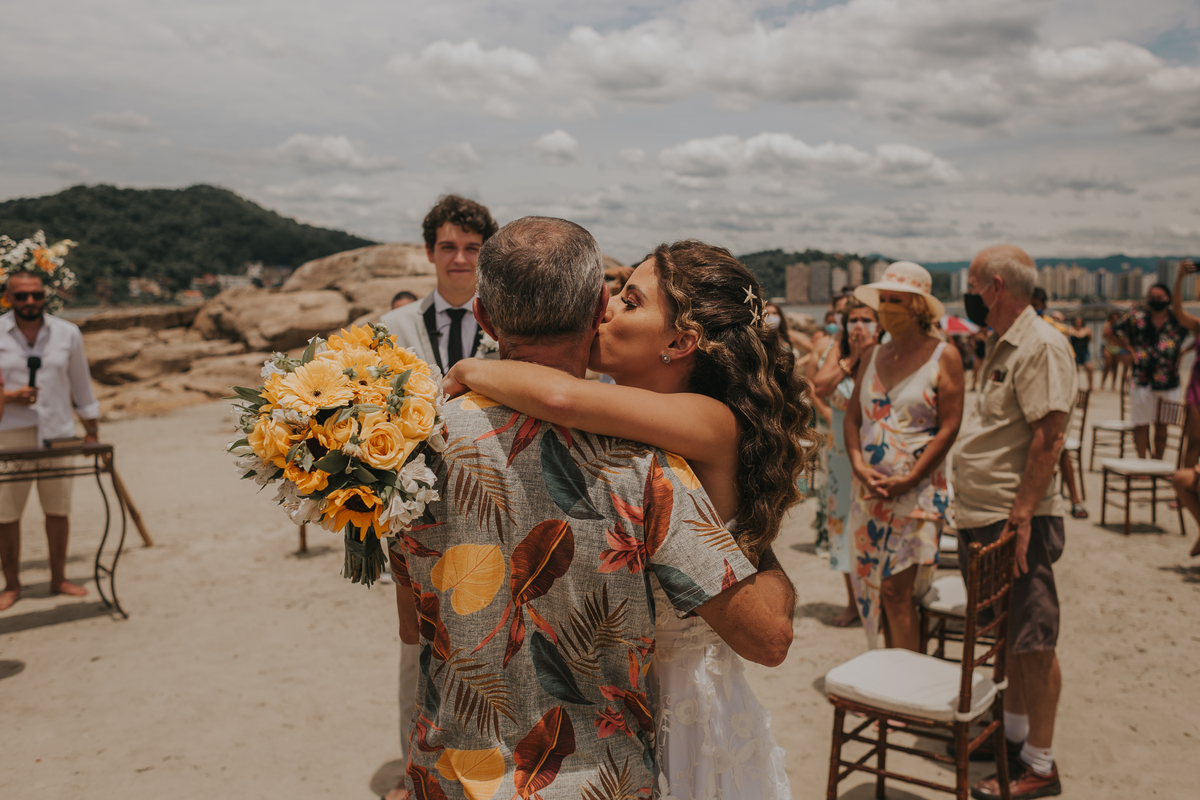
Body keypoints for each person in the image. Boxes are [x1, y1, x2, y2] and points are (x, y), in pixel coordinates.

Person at [395, 221, 801, 799]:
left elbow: (560, 396)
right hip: (618, 731)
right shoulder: (644, 449)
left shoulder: (696, 430)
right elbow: (566, 399)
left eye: (629, 299)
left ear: (681, 341)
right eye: (609, 295)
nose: (610, 308)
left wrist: (472, 369)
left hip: (682, 708)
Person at [376, 194, 499, 781]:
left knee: (485, 642)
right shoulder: (392, 329)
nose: (459, 259)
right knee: (416, 646)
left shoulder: (510, 328)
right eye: (448, 247)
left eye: (472, 248)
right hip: (412, 518)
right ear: (430, 253)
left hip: (489, 510)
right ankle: (415, 770)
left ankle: (483, 767)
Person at [954, 244, 1076, 800]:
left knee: (1032, 639)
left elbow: (1049, 437)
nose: (970, 295)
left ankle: (1041, 765)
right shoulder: (1005, 343)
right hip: (989, 515)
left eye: (973, 284)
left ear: (995, 287)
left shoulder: (1041, 344)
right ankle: (1014, 740)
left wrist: (1023, 514)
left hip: (1013, 519)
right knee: (1009, 637)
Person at [844, 262, 964, 650]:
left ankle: (907, 680)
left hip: (918, 493)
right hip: (869, 493)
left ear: (918, 307)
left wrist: (911, 478)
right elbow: (852, 418)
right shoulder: (871, 355)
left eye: (895, 300)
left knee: (898, 591)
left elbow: (949, 427)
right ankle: (890, 666)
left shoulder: (944, 356)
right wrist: (860, 467)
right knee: (874, 591)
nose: (886, 307)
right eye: (884, 300)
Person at [0, 271, 100, 612]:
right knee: (5, 514)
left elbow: (80, 385)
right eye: (22, 295)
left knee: (58, 509)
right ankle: (12, 584)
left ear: (45, 296)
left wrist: (92, 431)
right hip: (8, 435)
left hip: (57, 432)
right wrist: (11, 397)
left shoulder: (67, 333)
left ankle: (59, 578)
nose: (30, 301)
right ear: (8, 297)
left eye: (36, 295)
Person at [810, 297, 880, 627]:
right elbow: (820, 388)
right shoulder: (838, 356)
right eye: (853, 319)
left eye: (867, 319)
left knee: (874, 525)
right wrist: (851, 358)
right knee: (843, 527)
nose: (859, 326)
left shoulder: (885, 357)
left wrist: (868, 355)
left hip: (874, 453)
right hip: (840, 456)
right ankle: (853, 602)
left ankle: (879, 600)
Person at [1109, 283, 1189, 459]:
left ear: (1168, 298)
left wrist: (1185, 351)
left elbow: (1197, 331)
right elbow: (1111, 331)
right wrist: (1127, 348)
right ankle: (1142, 462)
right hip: (1141, 379)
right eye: (1152, 298)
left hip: (1169, 380)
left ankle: (1158, 461)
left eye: (1159, 298)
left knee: (1163, 425)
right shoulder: (1136, 317)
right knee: (1141, 423)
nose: (1155, 301)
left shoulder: (1178, 320)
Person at [1100, 311, 1128, 392]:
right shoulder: (1107, 324)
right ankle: (1102, 384)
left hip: (1117, 347)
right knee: (1107, 365)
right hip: (1109, 346)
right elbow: (1104, 335)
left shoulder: (1120, 325)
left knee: (1115, 367)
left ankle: (1113, 386)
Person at [1066, 316, 1093, 391]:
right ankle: (1075, 386)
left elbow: (1090, 339)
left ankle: (1091, 386)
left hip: (1084, 351)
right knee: (1075, 369)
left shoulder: (1087, 329)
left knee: (1089, 367)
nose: (1078, 323)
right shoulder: (1070, 329)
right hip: (1075, 351)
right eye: (1077, 321)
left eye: (1079, 321)